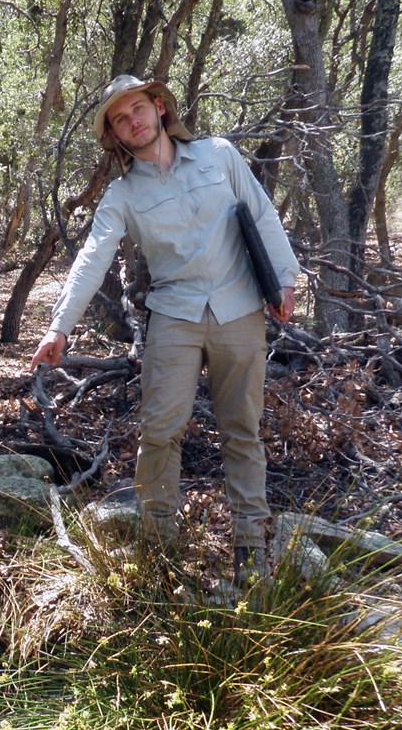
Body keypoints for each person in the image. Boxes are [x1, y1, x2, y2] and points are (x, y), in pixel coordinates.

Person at [30, 74, 300, 585]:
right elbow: (92, 257)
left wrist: (285, 281)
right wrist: (58, 327)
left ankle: (251, 552)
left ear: (158, 107)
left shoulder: (219, 155)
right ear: (115, 134)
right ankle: (157, 551)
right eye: (119, 119)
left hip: (240, 311)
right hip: (174, 318)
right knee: (159, 432)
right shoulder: (123, 194)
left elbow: (262, 215)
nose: (132, 121)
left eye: (137, 109)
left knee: (243, 432)